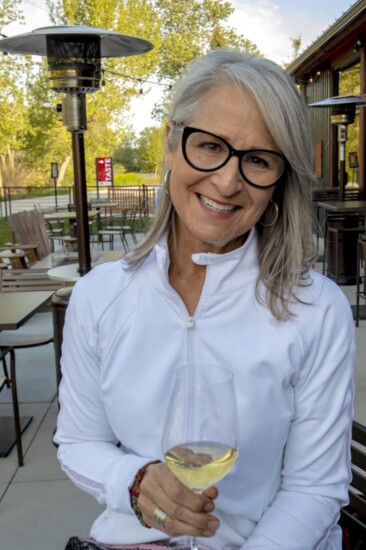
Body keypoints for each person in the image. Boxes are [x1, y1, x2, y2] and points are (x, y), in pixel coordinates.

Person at [54, 48, 355, 550]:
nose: (227, 180)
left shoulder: (317, 311)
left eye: (258, 159)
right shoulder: (99, 297)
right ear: (172, 143)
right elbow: (80, 442)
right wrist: (133, 481)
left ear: (278, 183)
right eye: (211, 146)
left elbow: (314, 488)